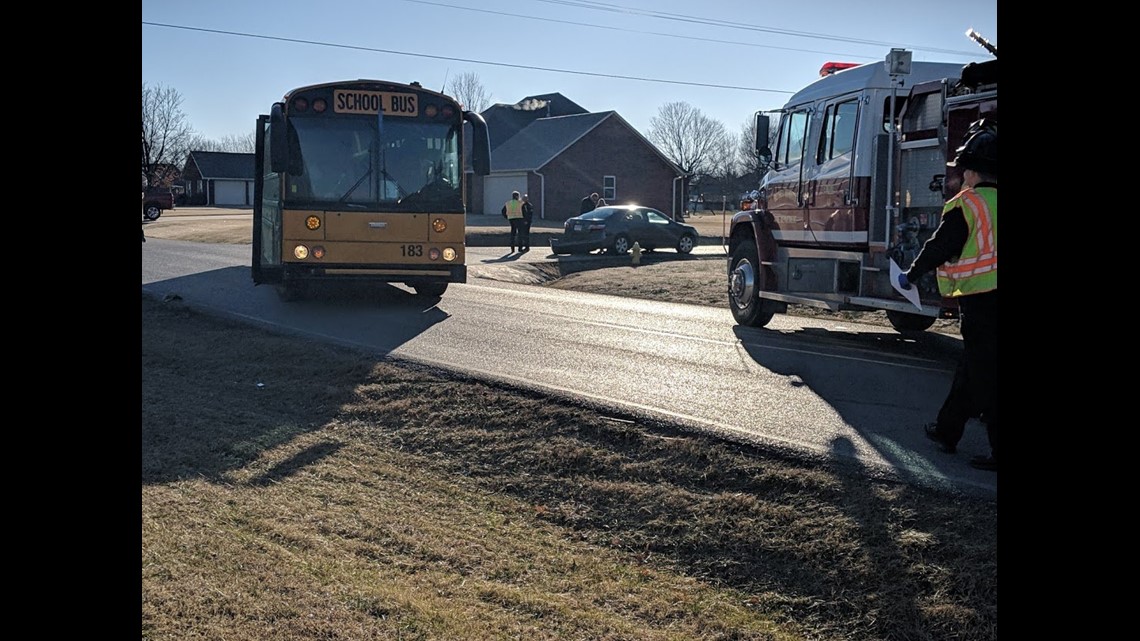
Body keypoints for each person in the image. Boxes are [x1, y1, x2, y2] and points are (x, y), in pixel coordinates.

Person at [898, 119, 998, 472]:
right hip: (988, 301)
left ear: (971, 172)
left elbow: (940, 246)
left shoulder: (968, 204)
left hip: (983, 300)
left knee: (985, 372)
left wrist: (911, 275)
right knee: (973, 367)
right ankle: (947, 430)